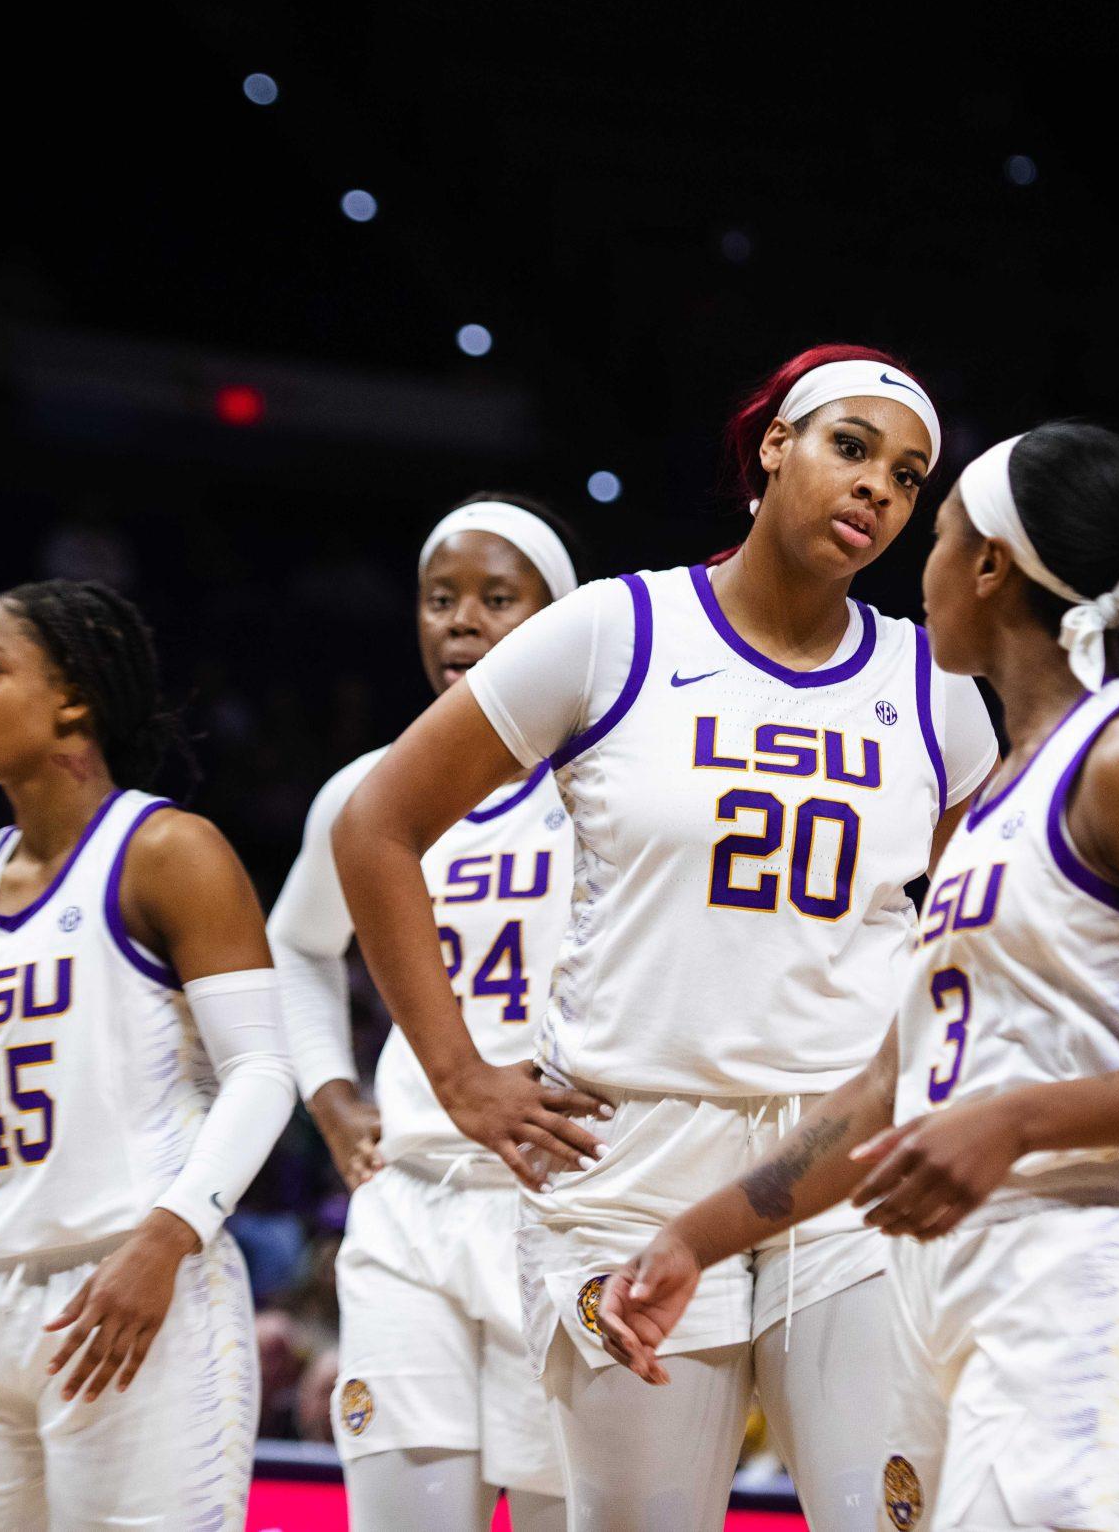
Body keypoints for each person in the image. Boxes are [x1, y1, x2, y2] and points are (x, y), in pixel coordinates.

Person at [598, 421, 1119, 1532]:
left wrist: (1016, 1120)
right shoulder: (988, 806)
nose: (917, 562)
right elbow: (889, 1092)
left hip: (1094, 1258)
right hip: (954, 1281)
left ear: (988, 562)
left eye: (935, 532)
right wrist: (693, 1240)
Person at [338, 347, 999, 1529]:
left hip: (839, 1159)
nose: (876, 492)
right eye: (850, 448)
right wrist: (458, 1077)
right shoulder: (612, 630)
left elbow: (968, 949)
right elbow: (377, 828)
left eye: (906, 479)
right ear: (774, 446)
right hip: (623, 1163)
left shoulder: (935, 685)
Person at [0, 579, 295, 1532]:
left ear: (72, 696)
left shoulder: (169, 850)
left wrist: (164, 1242)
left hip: (137, 1285)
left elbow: (265, 1073)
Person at [269, 492, 583, 1532]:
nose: (460, 620)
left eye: (498, 597)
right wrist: (331, 1099)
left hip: (566, 1207)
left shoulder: (606, 779)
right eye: (440, 597)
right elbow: (297, 944)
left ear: (557, 617)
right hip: (410, 1201)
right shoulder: (368, 791)